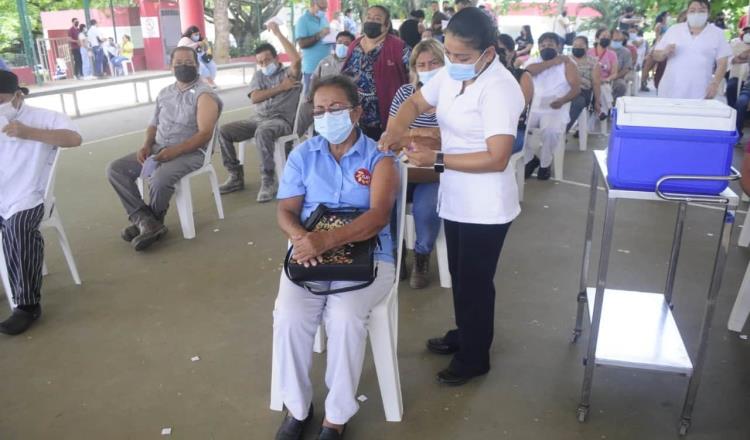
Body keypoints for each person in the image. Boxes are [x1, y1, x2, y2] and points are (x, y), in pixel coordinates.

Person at [381, 7, 524, 386]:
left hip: (487, 203)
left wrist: (436, 158)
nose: (453, 63)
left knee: (476, 280)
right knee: (460, 274)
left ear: (487, 53)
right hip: (457, 195)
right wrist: (396, 130)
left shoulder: (500, 88)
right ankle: (466, 333)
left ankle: (476, 356)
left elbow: (497, 158)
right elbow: (414, 103)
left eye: (462, 57)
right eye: (451, 54)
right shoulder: (451, 74)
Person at [272, 75, 398, 440]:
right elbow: (286, 210)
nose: (327, 117)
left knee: (344, 317)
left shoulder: (380, 157)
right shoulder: (303, 155)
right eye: (320, 110)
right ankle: (296, 407)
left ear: (357, 112)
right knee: (290, 316)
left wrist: (325, 241)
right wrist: (301, 239)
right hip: (309, 250)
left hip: (370, 253)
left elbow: (377, 217)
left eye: (336, 108)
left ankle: (336, 416)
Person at [106, 47, 222, 251]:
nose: (183, 66)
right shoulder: (164, 93)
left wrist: (174, 152)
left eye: (188, 62)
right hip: (159, 148)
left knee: (160, 177)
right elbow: (153, 124)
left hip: (193, 153)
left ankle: (152, 220)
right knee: (116, 169)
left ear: (197, 65)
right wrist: (146, 145)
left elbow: (205, 134)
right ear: (171, 67)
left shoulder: (205, 95)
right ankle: (145, 220)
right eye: (178, 63)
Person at [0, 70, 83, 335]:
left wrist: (28, 133)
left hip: (30, 196)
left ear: (16, 97)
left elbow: (74, 139)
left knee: (18, 227)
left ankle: (26, 305)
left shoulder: (44, 117)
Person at [217, 22, 301, 201]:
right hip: (258, 118)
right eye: (260, 62)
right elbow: (255, 97)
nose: (264, 64)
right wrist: (281, 88)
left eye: (267, 60)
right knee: (223, 131)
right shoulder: (259, 76)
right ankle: (235, 175)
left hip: (281, 121)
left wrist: (278, 32)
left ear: (276, 58)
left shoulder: (289, 74)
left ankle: (268, 180)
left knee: (263, 132)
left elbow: (297, 59)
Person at [387, 39, 444, 289]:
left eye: (434, 62)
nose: (427, 68)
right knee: (384, 199)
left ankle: (422, 256)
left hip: (436, 171)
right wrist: (427, 135)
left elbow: (453, 140)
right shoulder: (405, 93)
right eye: (421, 64)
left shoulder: (455, 96)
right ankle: (394, 255)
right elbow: (391, 134)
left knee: (425, 208)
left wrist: (411, 133)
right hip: (404, 166)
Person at [341, 5, 410, 141]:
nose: (371, 21)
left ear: (386, 25)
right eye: (369, 17)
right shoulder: (354, 45)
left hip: (386, 119)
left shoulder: (399, 47)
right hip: (354, 119)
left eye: (377, 19)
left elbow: (414, 77)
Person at [522, 32, 580, 180]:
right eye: (543, 45)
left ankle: (545, 163)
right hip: (533, 108)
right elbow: (528, 72)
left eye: (550, 45)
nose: (546, 48)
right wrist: (553, 62)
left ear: (558, 46)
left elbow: (575, 89)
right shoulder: (533, 61)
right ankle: (530, 159)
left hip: (555, 107)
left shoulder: (568, 63)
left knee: (551, 131)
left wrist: (562, 100)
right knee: (515, 130)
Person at [652, 0, 730, 99]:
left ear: (708, 14)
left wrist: (715, 84)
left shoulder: (717, 34)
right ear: (687, 12)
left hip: (701, 92)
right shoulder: (674, 30)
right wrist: (664, 52)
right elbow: (655, 55)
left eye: (701, 11)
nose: (696, 13)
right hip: (671, 90)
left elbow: (723, 63)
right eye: (692, 10)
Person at [297, 31, 356, 137]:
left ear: (352, 46)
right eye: (339, 42)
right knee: (305, 107)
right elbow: (314, 78)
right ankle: (296, 136)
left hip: (341, 103)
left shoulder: (354, 63)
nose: (342, 45)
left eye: (346, 44)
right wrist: (311, 95)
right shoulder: (325, 61)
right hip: (321, 100)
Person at [496, 33, 534, 154]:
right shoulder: (481, 76)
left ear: (512, 53)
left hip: (513, 130)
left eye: (501, 50)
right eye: (493, 49)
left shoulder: (522, 76)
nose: (496, 54)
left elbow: (519, 110)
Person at [567, 36, 601, 133]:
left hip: (582, 92)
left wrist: (597, 101)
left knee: (578, 102)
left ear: (587, 47)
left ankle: (562, 132)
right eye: (575, 45)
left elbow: (596, 83)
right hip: (565, 89)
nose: (577, 48)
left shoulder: (593, 62)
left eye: (581, 45)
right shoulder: (566, 60)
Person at [295, 0, 331, 93]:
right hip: (311, 68)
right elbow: (301, 44)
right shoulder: (302, 21)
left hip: (326, 67)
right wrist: (319, 35)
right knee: (309, 99)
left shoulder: (324, 19)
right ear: (312, 5)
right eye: (321, 8)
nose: (324, 11)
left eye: (325, 8)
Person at [588, 28, 618, 120]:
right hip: (590, 80)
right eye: (604, 36)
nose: (606, 38)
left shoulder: (612, 54)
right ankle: (601, 111)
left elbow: (614, 73)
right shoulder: (588, 52)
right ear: (597, 38)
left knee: (603, 87)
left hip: (604, 81)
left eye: (608, 37)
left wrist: (606, 79)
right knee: (596, 86)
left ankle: (601, 111)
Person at [641, 11, 669, 91]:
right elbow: (657, 37)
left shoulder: (666, 26)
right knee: (648, 66)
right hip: (658, 47)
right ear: (663, 17)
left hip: (664, 47)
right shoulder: (659, 25)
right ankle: (643, 82)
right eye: (667, 16)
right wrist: (657, 46)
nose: (668, 17)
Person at [609, 29, 633, 102]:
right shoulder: (604, 49)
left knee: (621, 85)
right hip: (601, 76)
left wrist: (614, 77)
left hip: (617, 77)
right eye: (615, 40)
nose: (618, 42)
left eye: (620, 40)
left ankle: (614, 105)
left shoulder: (625, 52)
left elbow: (627, 68)